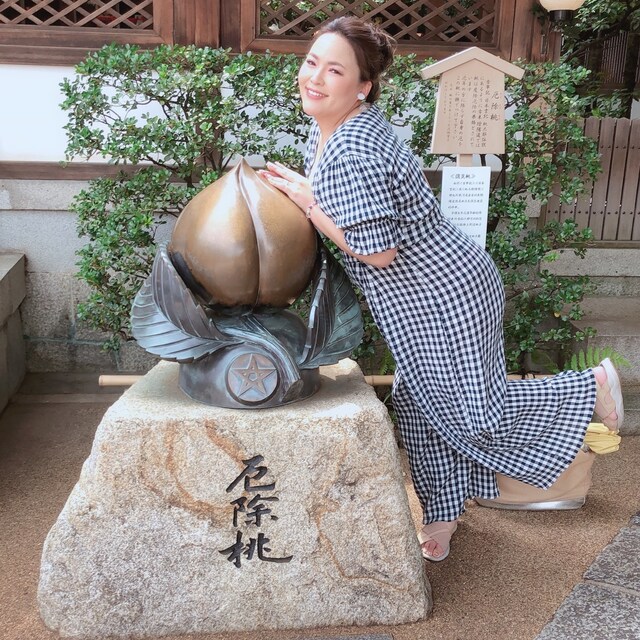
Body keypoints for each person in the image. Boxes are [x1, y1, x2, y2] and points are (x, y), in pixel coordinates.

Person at [260, 16, 624, 562]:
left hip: (444, 294)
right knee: (418, 408)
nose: (314, 77)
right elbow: (351, 204)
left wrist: (310, 205)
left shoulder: (353, 147)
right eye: (312, 62)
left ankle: (588, 389)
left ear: (362, 86)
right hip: (430, 292)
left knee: (476, 414)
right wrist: (307, 190)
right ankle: (443, 514)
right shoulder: (337, 127)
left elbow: (378, 251)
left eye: (334, 70)